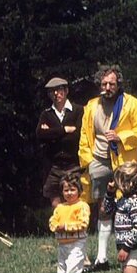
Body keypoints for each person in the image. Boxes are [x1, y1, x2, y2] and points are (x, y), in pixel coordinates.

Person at [78, 65, 137, 272]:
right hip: (98, 161)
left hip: (124, 164)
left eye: (111, 84)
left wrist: (121, 137)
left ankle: (130, 254)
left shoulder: (131, 103)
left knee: (127, 207)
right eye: (104, 84)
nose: (107, 87)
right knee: (103, 207)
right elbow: (84, 135)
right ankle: (101, 258)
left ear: (118, 84)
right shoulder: (91, 106)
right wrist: (88, 160)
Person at [37, 77, 84, 207]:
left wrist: (51, 133)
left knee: (75, 200)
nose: (56, 94)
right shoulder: (46, 114)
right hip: (53, 166)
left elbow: (77, 136)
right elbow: (40, 135)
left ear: (66, 91)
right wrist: (64, 130)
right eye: (52, 91)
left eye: (59, 90)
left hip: (74, 164)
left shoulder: (78, 110)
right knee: (55, 204)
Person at [48, 172, 90, 273]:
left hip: (77, 245)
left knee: (73, 272)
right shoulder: (60, 208)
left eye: (72, 189)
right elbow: (52, 222)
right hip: (62, 245)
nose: (69, 193)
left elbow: (83, 223)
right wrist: (56, 227)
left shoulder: (82, 206)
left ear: (79, 190)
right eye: (66, 190)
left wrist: (65, 227)